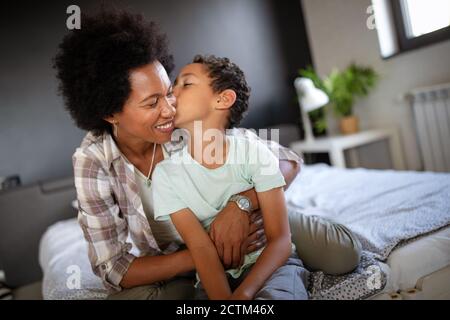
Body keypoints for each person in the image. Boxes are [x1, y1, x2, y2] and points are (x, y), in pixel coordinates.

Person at [53, 8, 361, 300]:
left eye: (168, 92)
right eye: (151, 103)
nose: (169, 109)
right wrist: (205, 253)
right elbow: (113, 268)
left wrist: (241, 206)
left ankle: (282, 261)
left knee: (342, 254)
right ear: (110, 113)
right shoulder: (93, 161)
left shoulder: (188, 124)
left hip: (254, 226)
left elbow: (287, 162)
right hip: (184, 256)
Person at [151, 55, 309, 300]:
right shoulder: (166, 175)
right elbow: (201, 249)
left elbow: (280, 240)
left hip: (271, 267)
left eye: (187, 84)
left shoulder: (252, 151)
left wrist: (244, 295)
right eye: (173, 86)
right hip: (215, 278)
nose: (172, 93)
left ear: (222, 99)